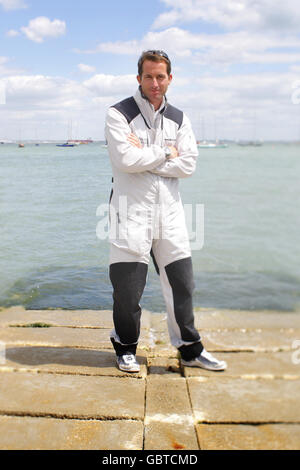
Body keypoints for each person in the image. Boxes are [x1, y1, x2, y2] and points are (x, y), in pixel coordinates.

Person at [105, 50, 227, 373]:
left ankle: (189, 348)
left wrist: (146, 155)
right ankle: (125, 347)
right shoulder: (118, 114)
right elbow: (124, 161)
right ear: (139, 78)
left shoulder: (180, 118)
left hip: (170, 215)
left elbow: (189, 163)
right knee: (128, 290)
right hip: (129, 213)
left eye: (161, 77)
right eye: (149, 76)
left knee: (183, 284)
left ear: (170, 78)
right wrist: (164, 152)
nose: (155, 83)